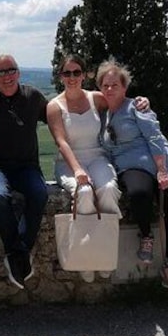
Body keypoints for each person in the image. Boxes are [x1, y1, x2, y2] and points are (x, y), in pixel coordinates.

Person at [96, 59, 168, 266]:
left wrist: (162, 170)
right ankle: (146, 236)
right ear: (100, 88)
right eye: (105, 85)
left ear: (124, 87)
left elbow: (154, 137)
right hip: (132, 166)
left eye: (114, 85)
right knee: (138, 194)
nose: (110, 89)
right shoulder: (101, 115)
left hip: (163, 163)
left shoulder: (136, 106)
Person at [0, 54, 49, 289]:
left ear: (18, 72)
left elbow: (60, 114)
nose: (6, 76)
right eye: (0, 72)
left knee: (39, 194)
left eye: (10, 70)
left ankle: (19, 252)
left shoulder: (33, 97)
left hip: (27, 166)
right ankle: (17, 253)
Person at [46, 55, 122, 217]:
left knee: (108, 190)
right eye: (67, 73)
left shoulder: (96, 99)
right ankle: (88, 240)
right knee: (84, 193)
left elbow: (121, 103)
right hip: (68, 164)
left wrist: (140, 101)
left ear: (83, 75)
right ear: (61, 77)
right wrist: (77, 169)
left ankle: (108, 238)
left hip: (97, 159)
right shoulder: (54, 106)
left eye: (76, 72)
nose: (72, 77)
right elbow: (61, 142)